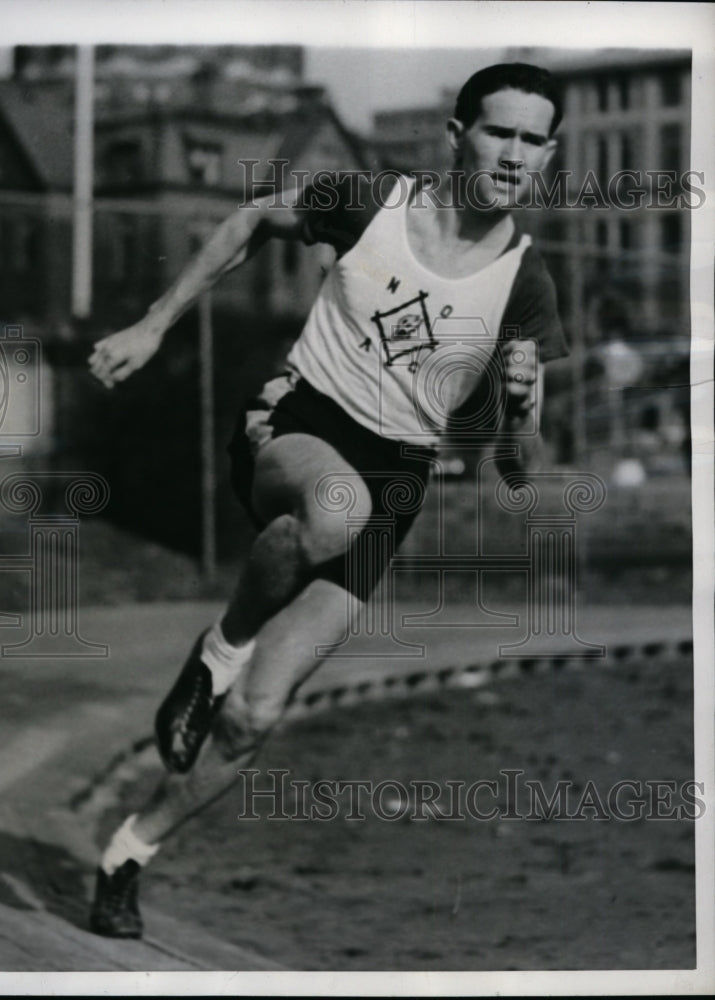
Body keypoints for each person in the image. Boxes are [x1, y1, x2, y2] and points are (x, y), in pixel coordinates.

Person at [87, 62, 569, 938]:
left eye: (532, 140)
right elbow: (248, 219)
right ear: (454, 135)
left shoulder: (524, 288)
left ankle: (127, 854)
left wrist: (523, 408)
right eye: (498, 131)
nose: (512, 154)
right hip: (299, 425)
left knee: (254, 718)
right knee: (333, 505)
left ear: (548, 155)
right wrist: (153, 323)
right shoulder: (371, 200)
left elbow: (520, 470)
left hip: (397, 478)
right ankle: (219, 646)